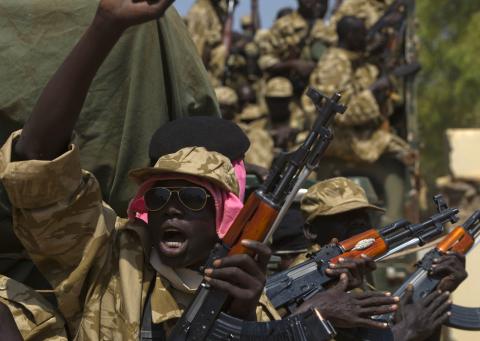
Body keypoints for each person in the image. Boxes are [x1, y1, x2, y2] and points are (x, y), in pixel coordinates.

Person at [0, 1, 281, 340]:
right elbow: (37, 159)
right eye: (158, 195)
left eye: (193, 197)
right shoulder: (112, 262)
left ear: (223, 216)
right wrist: (106, 26)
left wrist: (243, 315)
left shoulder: (249, 296)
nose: (172, 207)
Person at [297, 177, 468, 340]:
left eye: (363, 216)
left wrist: (436, 289)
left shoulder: (357, 276)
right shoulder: (305, 287)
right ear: (311, 231)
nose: (359, 223)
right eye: (344, 217)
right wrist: (407, 330)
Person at [305, 15, 414, 165]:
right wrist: (374, 90)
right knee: (405, 154)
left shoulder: (356, 62)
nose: (366, 38)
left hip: (353, 134)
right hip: (335, 138)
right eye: (362, 34)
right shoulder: (335, 63)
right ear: (350, 36)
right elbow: (337, 114)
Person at [258, 0, 331, 96]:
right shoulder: (282, 26)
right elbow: (265, 61)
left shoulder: (326, 29)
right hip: (285, 95)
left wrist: (315, 67)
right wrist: (292, 64)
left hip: (316, 93)